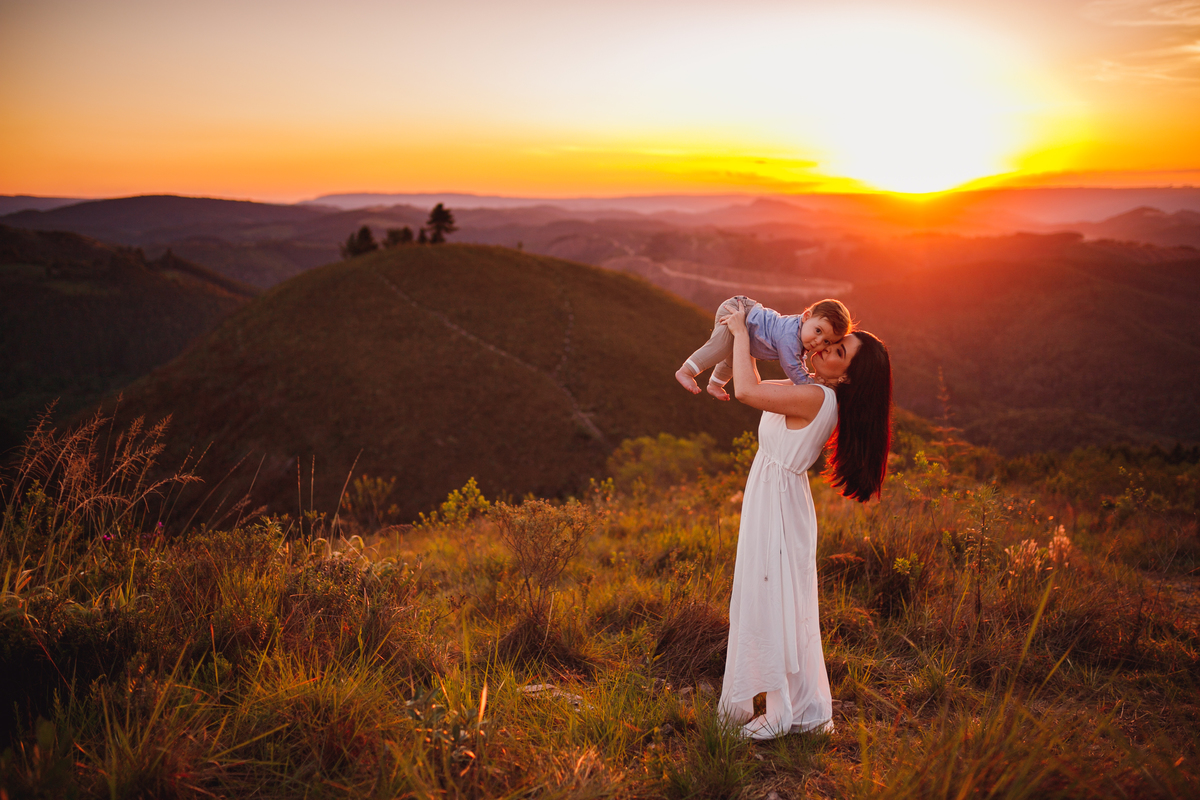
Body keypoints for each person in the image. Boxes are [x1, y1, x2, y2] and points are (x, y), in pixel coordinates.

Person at [716, 299, 892, 740]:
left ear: (848, 374)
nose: (825, 348)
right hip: (777, 499)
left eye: (837, 351)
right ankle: (785, 701)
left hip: (777, 505)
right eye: (831, 340)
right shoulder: (815, 390)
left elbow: (746, 392)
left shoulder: (816, 396)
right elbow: (754, 381)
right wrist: (754, 339)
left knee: (771, 601)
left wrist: (740, 332)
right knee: (775, 601)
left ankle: (780, 710)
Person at [675, 296, 852, 401]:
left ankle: (715, 385)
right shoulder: (790, 336)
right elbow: (792, 366)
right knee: (720, 347)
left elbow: (799, 363)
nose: (818, 342)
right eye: (818, 331)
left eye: (827, 342)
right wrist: (809, 384)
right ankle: (686, 372)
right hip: (739, 312)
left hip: (748, 331)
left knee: (733, 358)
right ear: (806, 316)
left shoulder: (801, 336)